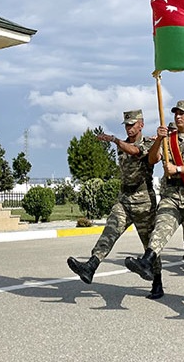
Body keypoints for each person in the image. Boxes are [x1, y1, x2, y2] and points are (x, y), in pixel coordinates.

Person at [124, 100, 184, 303]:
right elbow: (152, 160)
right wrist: (159, 140)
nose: (178, 116)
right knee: (161, 227)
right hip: (172, 194)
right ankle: (147, 261)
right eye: (176, 113)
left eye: (182, 113)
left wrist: (179, 169)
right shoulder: (168, 139)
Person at [67, 110, 161, 298]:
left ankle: (157, 283)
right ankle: (91, 266)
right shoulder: (122, 145)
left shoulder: (149, 143)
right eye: (126, 125)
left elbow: (135, 152)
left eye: (132, 124)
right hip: (124, 199)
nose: (129, 128)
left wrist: (115, 140)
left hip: (143, 200)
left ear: (141, 125)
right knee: (109, 231)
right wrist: (118, 142)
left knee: (149, 244)